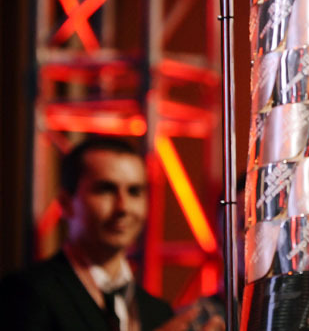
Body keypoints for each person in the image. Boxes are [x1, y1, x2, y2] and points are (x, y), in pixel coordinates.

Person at [0, 137, 223, 331]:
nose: (123, 207)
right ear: (66, 203)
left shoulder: (157, 312)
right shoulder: (26, 294)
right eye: (106, 189)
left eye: (134, 191)